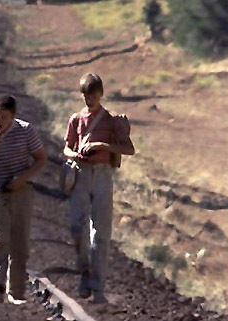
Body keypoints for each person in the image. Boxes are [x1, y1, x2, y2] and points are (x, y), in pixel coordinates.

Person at [63, 72, 135, 304]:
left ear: (101, 94)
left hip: (103, 175)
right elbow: (66, 147)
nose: (89, 100)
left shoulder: (112, 120)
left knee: (101, 234)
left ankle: (98, 287)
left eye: (92, 95)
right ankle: (84, 271)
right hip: (81, 174)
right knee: (76, 227)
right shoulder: (76, 119)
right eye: (85, 96)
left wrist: (103, 145)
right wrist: (76, 154)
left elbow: (129, 149)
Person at [0, 94, 46, 304]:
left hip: (21, 191)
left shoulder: (25, 130)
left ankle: (17, 291)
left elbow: (41, 159)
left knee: (20, 244)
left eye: (3, 117)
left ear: (12, 117)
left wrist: (23, 178)